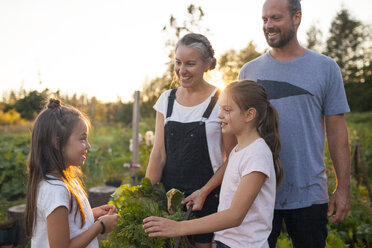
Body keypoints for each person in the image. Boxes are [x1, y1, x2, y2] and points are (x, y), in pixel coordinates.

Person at [238, 0, 351, 247]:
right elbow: (237, 135)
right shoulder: (249, 72)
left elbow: (337, 132)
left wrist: (343, 188)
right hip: (258, 194)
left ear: (297, 17)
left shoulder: (326, 68)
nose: (268, 25)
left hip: (309, 193)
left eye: (275, 18)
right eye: (264, 19)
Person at [143, 80, 284, 248]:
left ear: (249, 115)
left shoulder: (257, 154)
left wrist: (178, 227)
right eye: (220, 109)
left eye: (227, 110)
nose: (219, 115)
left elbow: (234, 216)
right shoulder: (239, 150)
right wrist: (203, 193)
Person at [145, 33, 236, 248]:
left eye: (190, 64)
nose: (181, 70)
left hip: (208, 199)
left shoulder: (222, 101)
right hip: (170, 201)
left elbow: (233, 158)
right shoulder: (166, 100)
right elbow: (158, 154)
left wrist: (204, 192)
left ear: (207, 65)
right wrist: (145, 194)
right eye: (178, 62)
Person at [24, 99, 118, 248]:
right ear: (58, 144)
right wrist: (100, 226)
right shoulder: (55, 190)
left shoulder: (63, 181)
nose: (88, 145)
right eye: (82, 139)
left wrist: (91, 214)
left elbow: (66, 223)